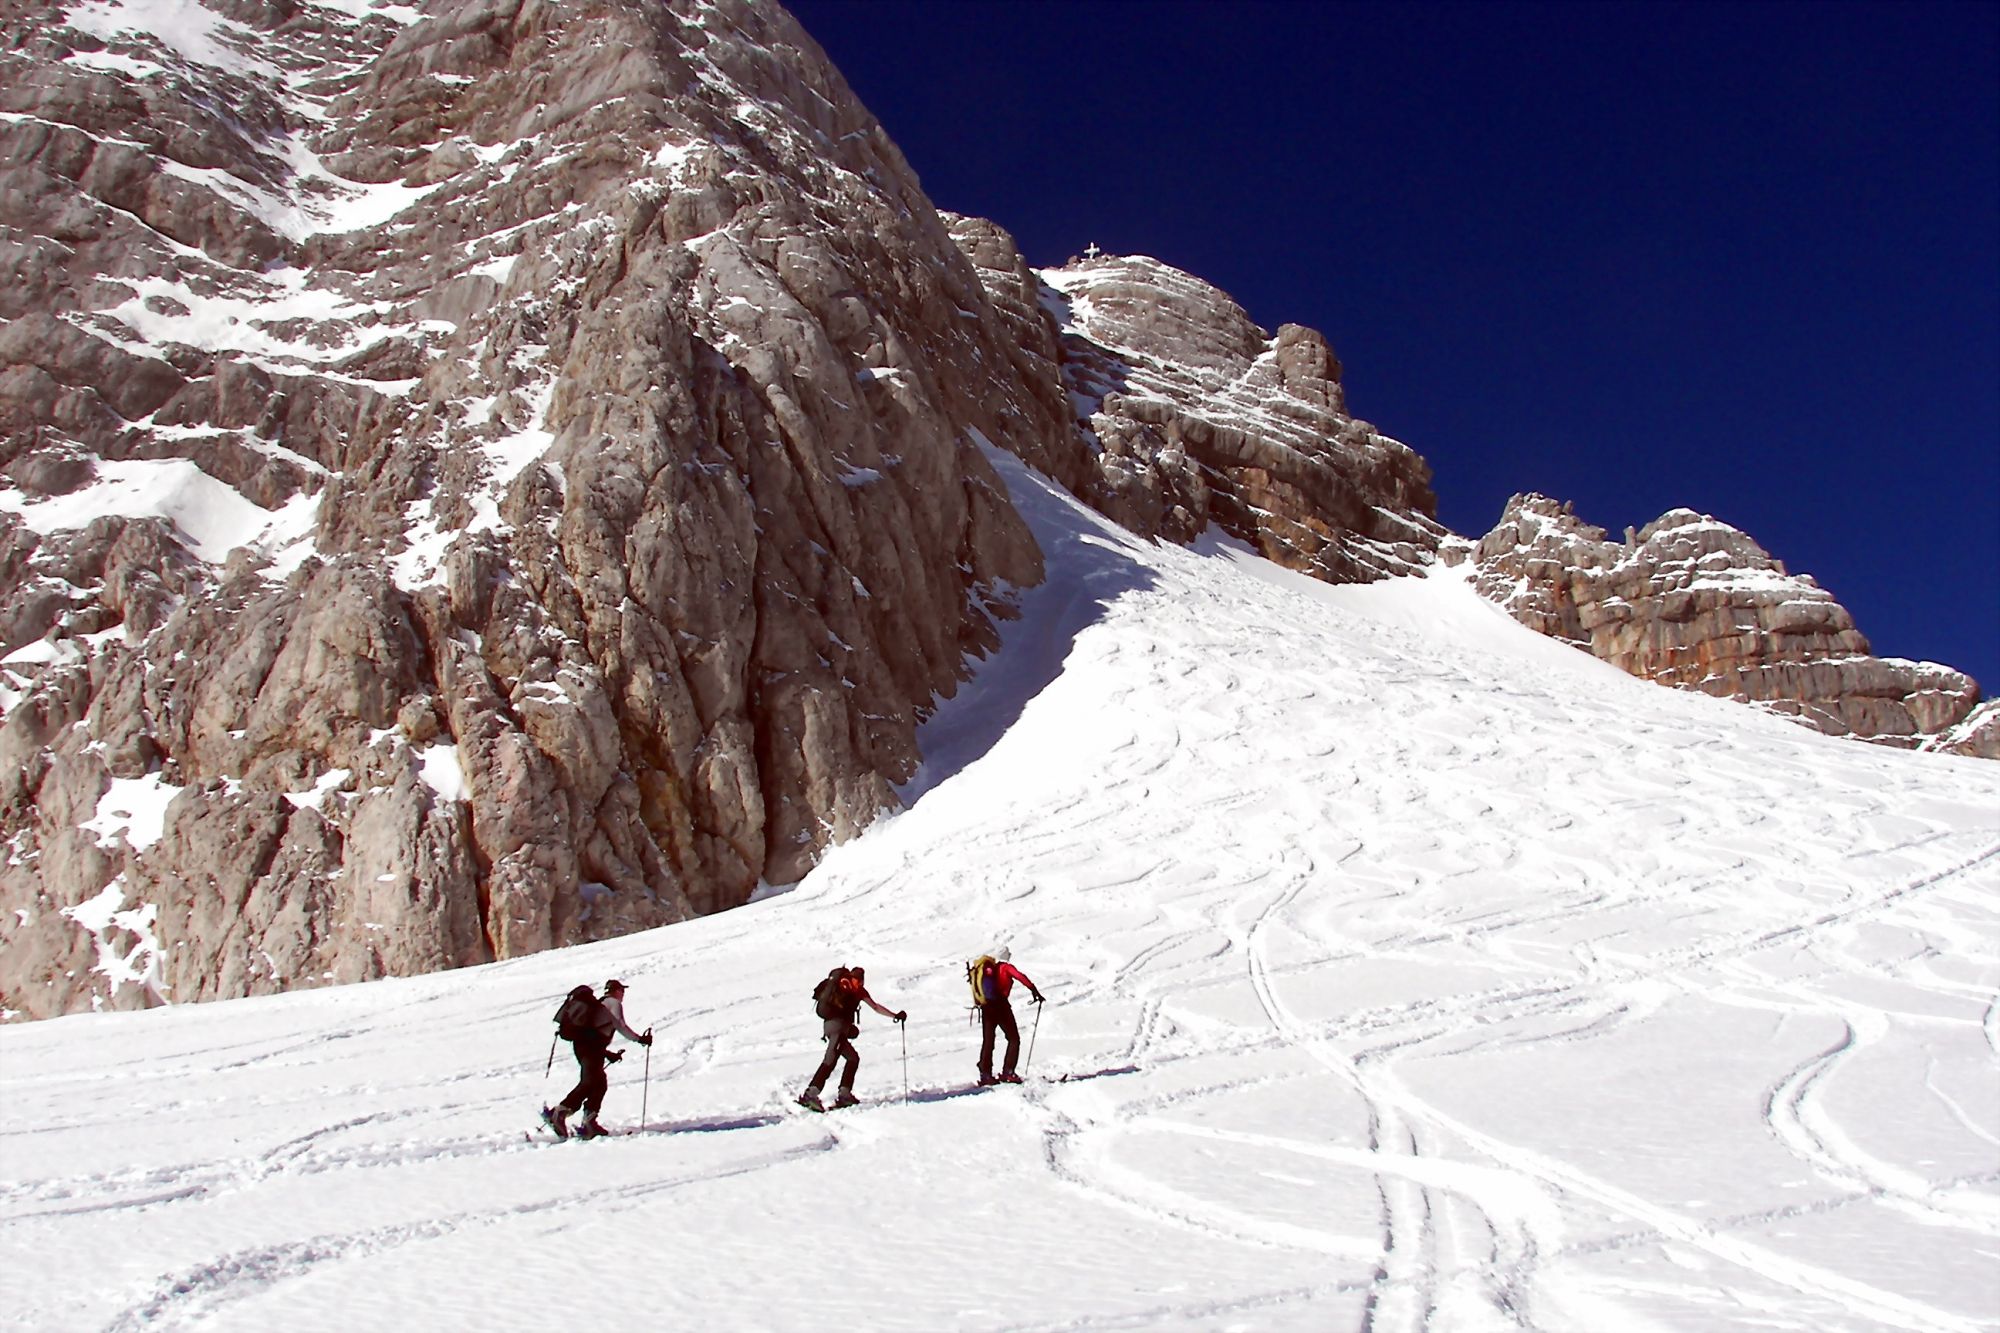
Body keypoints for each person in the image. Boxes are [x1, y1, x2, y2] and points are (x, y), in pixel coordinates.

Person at [544, 978, 651, 1139]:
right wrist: (639, 1039)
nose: (623, 994)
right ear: (616, 991)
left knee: (599, 1083)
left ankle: (589, 1122)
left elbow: (594, 1033)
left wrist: (607, 1054)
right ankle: (560, 1113)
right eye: (622, 991)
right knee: (590, 1082)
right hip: (589, 1047)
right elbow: (620, 1025)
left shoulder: (601, 1003)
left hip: (586, 1046)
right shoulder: (613, 1003)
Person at [799, 965, 905, 1110]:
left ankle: (845, 1094)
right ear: (858, 979)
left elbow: (874, 1007)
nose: (860, 983)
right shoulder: (854, 989)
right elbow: (875, 1007)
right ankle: (810, 1095)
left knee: (853, 1058)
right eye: (860, 981)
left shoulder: (847, 987)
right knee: (830, 1060)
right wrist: (895, 1015)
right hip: (837, 1028)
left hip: (833, 1027)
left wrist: (894, 1015)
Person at [976, 946, 1044, 1086]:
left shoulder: (987, 970)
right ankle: (1008, 1072)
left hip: (986, 1007)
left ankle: (985, 1074)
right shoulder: (1005, 967)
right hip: (1001, 1006)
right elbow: (1020, 976)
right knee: (1013, 1039)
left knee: (988, 1041)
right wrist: (1033, 990)